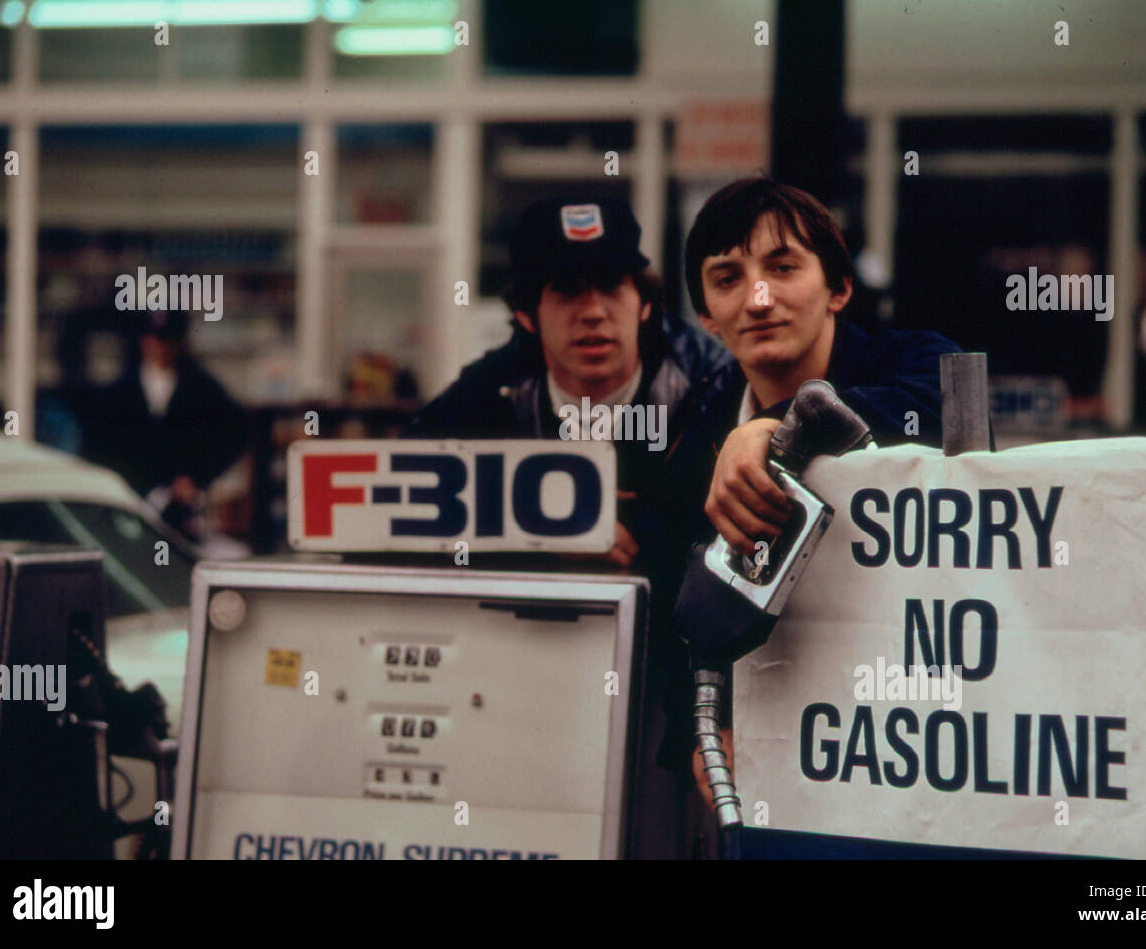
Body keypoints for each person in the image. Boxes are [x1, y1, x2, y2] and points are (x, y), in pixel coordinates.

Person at [404, 196, 732, 857]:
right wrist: (535, 526)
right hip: (531, 686)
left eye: (612, 287)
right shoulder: (488, 394)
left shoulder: (710, 384)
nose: (593, 312)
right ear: (527, 313)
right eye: (566, 291)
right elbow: (397, 511)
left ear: (643, 301)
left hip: (677, 688)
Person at [655, 177, 962, 804]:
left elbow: (946, 402)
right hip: (774, 741)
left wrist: (778, 428)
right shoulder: (695, 432)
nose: (758, 298)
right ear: (708, 318)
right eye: (727, 277)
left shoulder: (918, 361)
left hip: (916, 732)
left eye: (783, 266)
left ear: (839, 288)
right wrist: (707, 732)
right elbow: (677, 612)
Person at [78, 307, 248, 542]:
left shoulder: (202, 389)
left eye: (168, 339)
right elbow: (98, 448)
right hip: (130, 505)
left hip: (185, 511)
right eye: (154, 338)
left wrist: (196, 478)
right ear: (143, 341)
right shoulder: (117, 394)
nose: (160, 346)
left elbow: (233, 435)